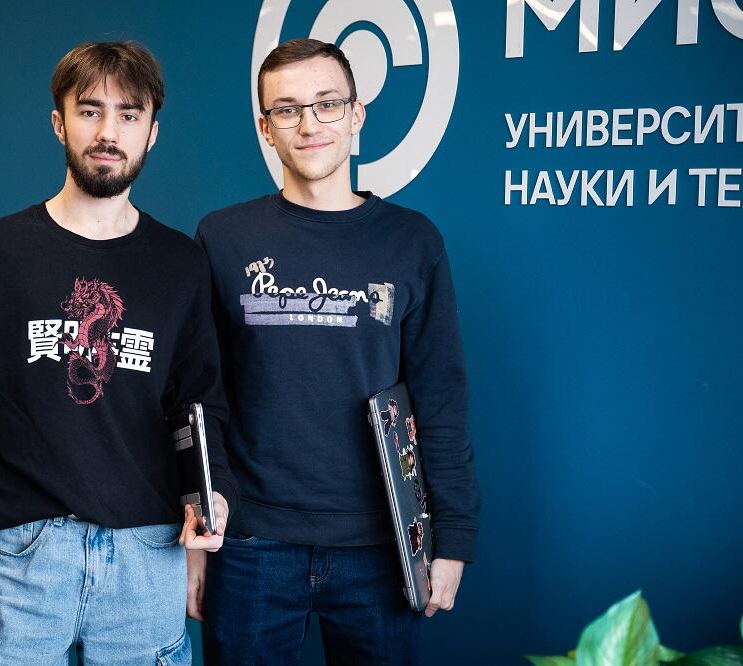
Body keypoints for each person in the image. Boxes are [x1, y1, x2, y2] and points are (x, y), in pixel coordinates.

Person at [0, 41, 234, 666]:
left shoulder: (181, 264)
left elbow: (199, 409)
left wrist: (209, 494)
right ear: (59, 123)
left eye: (128, 115)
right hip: (19, 566)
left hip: (147, 561)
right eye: (90, 111)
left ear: (152, 133)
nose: (108, 132)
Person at [190, 38, 480, 664]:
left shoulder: (412, 242)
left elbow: (440, 400)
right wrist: (201, 530)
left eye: (327, 104)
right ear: (265, 127)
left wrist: (453, 538)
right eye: (287, 109)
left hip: (382, 545)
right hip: (252, 544)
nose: (309, 124)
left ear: (357, 115)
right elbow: (199, 398)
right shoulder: (222, 237)